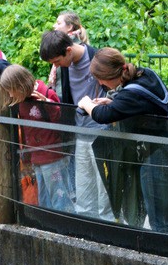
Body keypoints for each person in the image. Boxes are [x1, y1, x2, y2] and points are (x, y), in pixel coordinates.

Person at [78, 47, 168, 236]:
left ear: (109, 75)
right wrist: (115, 104)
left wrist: (86, 103)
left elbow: (103, 116)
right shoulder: (146, 75)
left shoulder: (129, 95)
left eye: (100, 79)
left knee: (161, 219)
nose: (100, 83)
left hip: (156, 157)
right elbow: (145, 106)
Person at [39, 30, 114, 221]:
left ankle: (108, 232)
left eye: (56, 61)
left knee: (104, 189)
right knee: (83, 189)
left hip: (102, 132)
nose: (55, 66)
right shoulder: (65, 66)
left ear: (69, 50)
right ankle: (86, 231)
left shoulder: (96, 58)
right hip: (80, 132)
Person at [0, 64, 74, 213]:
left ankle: (66, 226)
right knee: (43, 198)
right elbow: (26, 131)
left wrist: (47, 103)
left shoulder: (46, 93)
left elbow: (61, 121)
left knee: (60, 196)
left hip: (53, 156)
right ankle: (48, 226)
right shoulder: (22, 101)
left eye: (11, 91)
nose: (11, 96)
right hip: (36, 157)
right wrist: (26, 157)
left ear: (20, 85)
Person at [49, 11, 88, 97]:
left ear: (69, 27)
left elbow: (62, 86)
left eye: (58, 23)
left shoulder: (69, 52)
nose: (54, 26)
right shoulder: (80, 46)